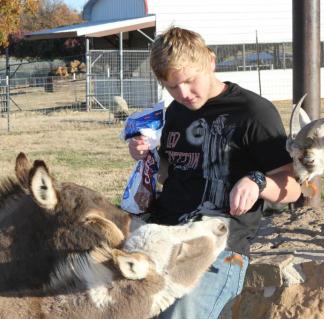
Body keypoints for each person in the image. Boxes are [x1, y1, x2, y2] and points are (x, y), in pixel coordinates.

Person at [129, 27, 301, 319]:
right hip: (162, 235)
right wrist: (148, 158)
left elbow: (293, 187)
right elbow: (170, 173)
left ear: (210, 62)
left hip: (217, 247)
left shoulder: (253, 112)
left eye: (189, 80)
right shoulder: (176, 113)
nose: (183, 93)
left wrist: (258, 182)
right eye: (172, 87)